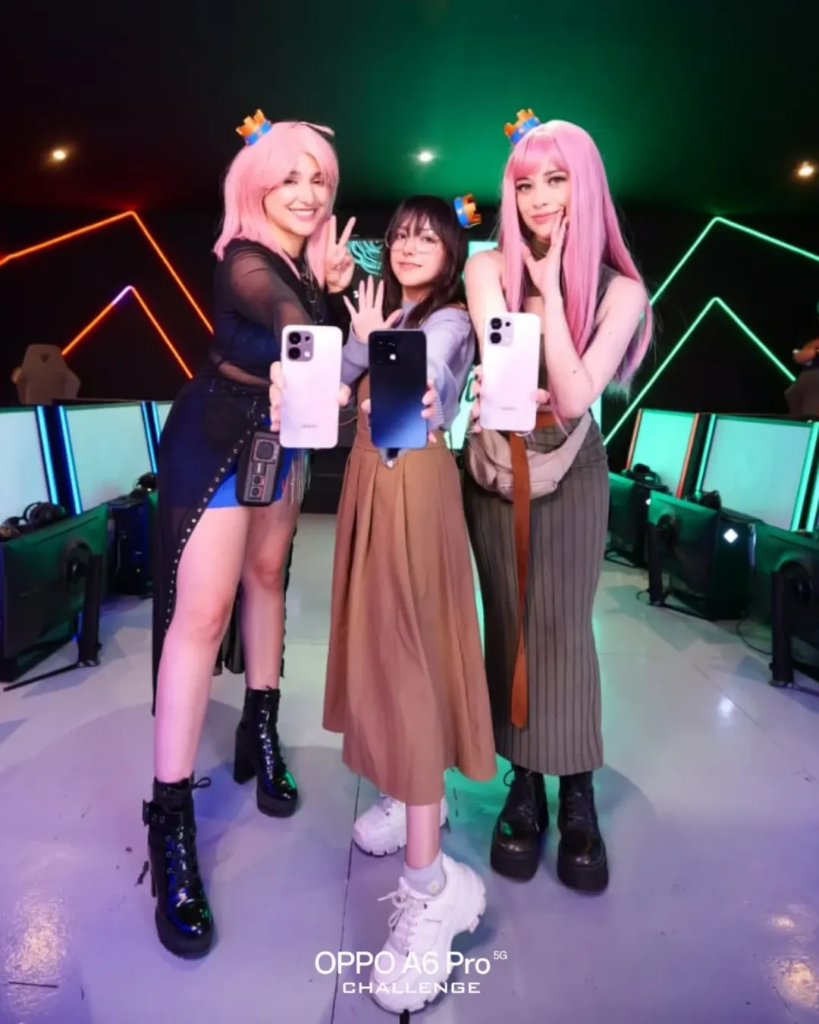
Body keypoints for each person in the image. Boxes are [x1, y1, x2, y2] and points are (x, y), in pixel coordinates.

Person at [270, 196, 496, 1015]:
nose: (408, 246)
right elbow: (332, 393)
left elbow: (431, 379)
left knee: (408, 658)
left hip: (412, 490)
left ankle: (433, 890)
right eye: (400, 235)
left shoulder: (450, 321)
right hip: (371, 487)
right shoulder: (384, 313)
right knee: (379, 645)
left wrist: (379, 357)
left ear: (453, 252)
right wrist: (330, 352)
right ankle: (407, 790)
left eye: (427, 237)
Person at [143, 113, 355, 958]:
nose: (307, 193)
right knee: (201, 618)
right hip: (216, 435)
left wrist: (328, 297)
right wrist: (318, 331)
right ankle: (169, 818)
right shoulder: (245, 258)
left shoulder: (305, 269)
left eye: (320, 179)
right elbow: (283, 318)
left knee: (269, 579)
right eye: (290, 176)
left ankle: (257, 729)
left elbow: (305, 333)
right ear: (256, 182)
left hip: (277, 437)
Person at [462, 113, 651, 893]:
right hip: (498, 464)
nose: (538, 197)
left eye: (556, 178)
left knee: (563, 628)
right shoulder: (484, 269)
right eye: (523, 184)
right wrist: (526, 297)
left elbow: (573, 397)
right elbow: (504, 375)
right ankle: (525, 783)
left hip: (573, 467)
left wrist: (545, 292)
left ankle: (575, 787)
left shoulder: (622, 290)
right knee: (509, 620)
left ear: (586, 184)